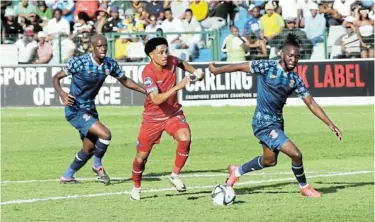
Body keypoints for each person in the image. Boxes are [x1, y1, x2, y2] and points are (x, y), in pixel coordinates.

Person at [208, 33, 342, 198]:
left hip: (277, 123)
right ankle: (304, 187)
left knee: (269, 161)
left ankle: (236, 172)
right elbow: (240, 67)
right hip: (263, 123)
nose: (294, 59)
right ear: (282, 55)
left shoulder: (294, 79)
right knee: (296, 154)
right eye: (290, 56)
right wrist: (216, 71)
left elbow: (311, 103)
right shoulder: (267, 67)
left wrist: (330, 123)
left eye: (297, 57)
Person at [53, 34, 146, 185]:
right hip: (75, 109)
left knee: (89, 149)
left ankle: (67, 176)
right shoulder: (79, 62)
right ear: (92, 47)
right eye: (99, 46)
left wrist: (145, 91)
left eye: (105, 46)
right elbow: (56, 78)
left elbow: (125, 81)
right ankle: (97, 165)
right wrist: (62, 93)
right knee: (105, 134)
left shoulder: (110, 64)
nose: (103, 49)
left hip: (90, 108)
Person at [130, 37, 204, 201]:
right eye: (160, 52)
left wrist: (195, 72)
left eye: (166, 51)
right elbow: (156, 99)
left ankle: (174, 175)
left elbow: (182, 63)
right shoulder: (148, 73)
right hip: (152, 119)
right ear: (151, 55)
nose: (165, 55)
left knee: (185, 138)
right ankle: (136, 186)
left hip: (173, 114)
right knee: (141, 158)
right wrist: (179, 86)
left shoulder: (171, 60)